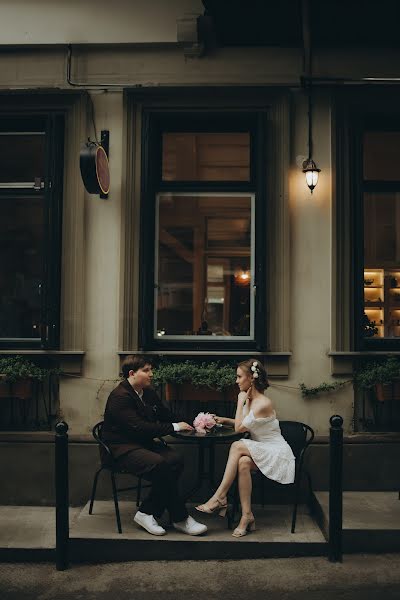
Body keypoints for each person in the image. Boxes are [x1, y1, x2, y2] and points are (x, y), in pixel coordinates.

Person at [102, 354, 207, 536]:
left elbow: (165, 414)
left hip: (143, 446)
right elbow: (139, 427)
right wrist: (175, 427)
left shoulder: (147, 393)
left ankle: (146, 512)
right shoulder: (120, 396)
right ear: (132, 373)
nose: (152, 374)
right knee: (160, 464)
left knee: (175, 459)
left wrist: (194, 421)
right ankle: (180, 518)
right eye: (147, 370)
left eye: (151, 369)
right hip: (121, 449)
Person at [195, 358, 295, 537]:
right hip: (261, 448)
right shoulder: (251, 401)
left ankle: (219, 497)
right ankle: (247, 516)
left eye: (239, 376)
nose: (236, 381)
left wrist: (239, 402)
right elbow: (246, 423)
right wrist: (225, 419)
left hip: (276, 452)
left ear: (252, 378)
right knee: (242, 463)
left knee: (236, 445)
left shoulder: (263, 403)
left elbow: (239, 429)